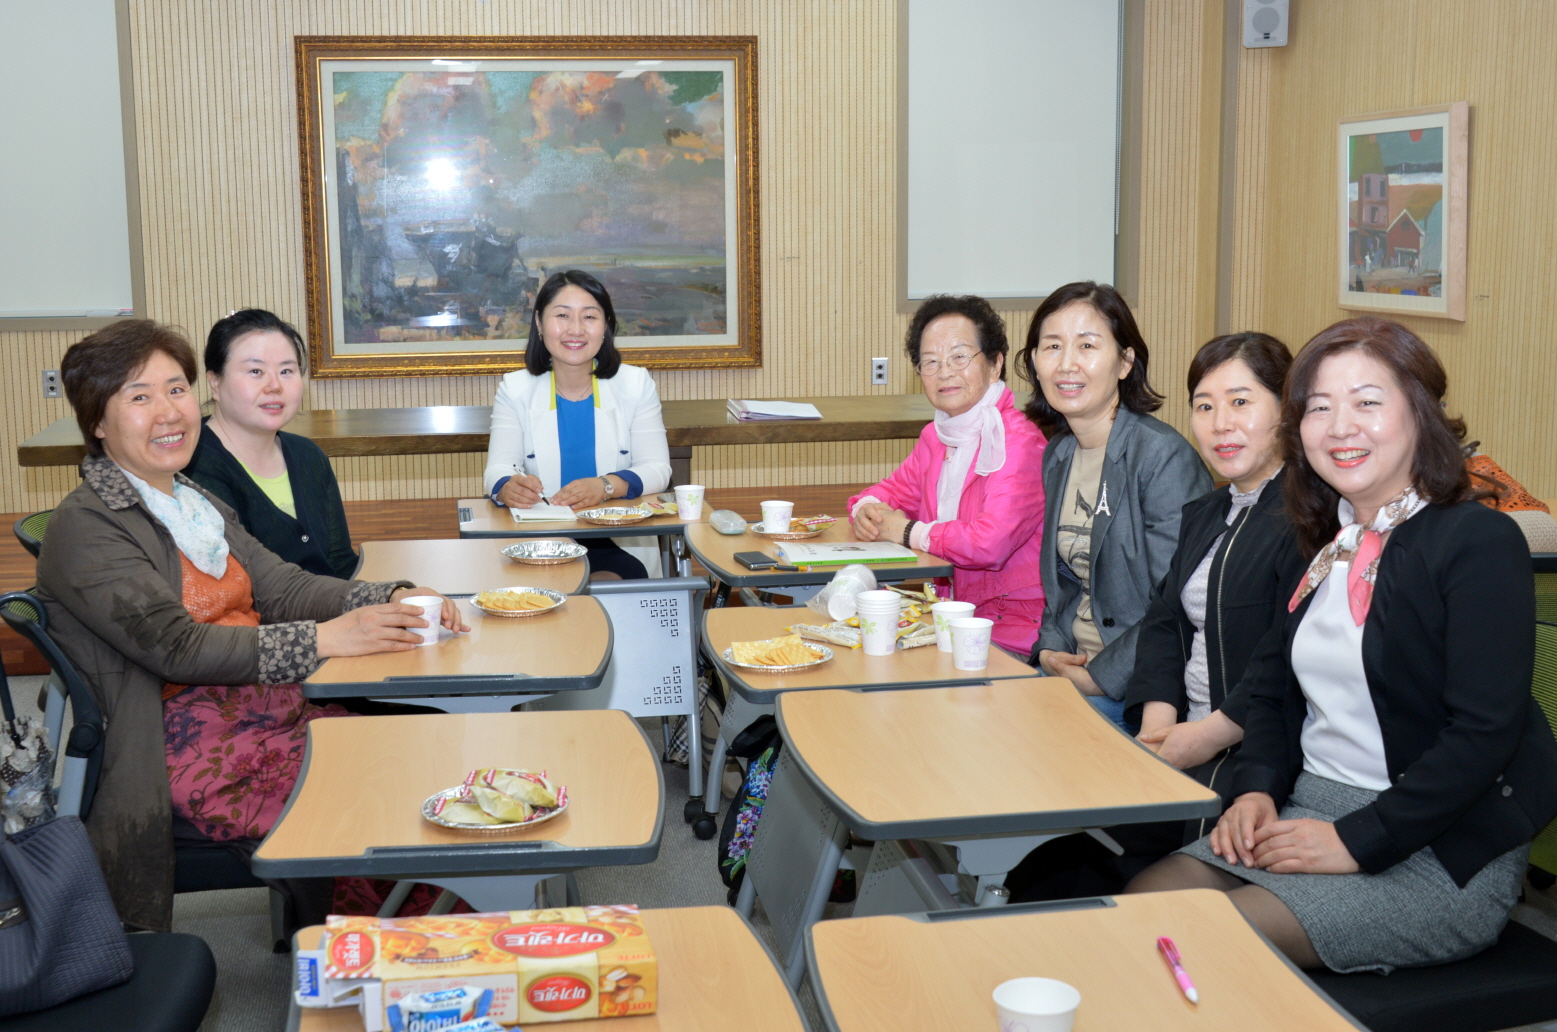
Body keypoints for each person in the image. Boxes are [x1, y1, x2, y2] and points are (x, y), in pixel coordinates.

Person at [1126, 317, 1557, 974]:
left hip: (1439, 847)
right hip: (1304, 811)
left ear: (1420, 412)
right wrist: (1255, 792)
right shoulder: (1324, 541)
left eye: (1367, 402)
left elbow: (1483, 733)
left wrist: (1356, 839)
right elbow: (1271, 691)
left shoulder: (1476, 542)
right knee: (1141, 907)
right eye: (1319, 408)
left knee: (1202, 941)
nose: (1339, 427)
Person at [36, 320, 467, 933]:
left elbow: (283, 586)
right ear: (98, 422)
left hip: (267, 706)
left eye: (176, 389)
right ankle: (394, 957)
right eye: (139, 396)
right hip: (182, 738)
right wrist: (326, 639)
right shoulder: (87, 525)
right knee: (377, 811)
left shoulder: (189, 501)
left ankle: (433, 945)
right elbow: (177, 648)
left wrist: (390, 594)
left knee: (420, 771)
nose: (169, 412)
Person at [1005, 332, 1303, 903]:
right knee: (1038, 868)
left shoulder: (1304, 522)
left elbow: (1281, 658)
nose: (1220, 424)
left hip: (1246, 760)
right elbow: (1166, 625)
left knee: (1081, 882)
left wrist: (1202, 737)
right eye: (1204, 406)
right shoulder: (1211, 510)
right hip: (1177, 737)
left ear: (1287, 409)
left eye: (1241, 402)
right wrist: (1156, 728)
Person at [1018, 281, 1211, 727]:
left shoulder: (1161, 457)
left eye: (1087, 346)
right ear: (1034, 362)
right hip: (1068, 670)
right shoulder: (1060, 453)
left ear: (1125, 362)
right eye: (1052, 346)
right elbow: (1062, 586)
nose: (1067, 363)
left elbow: (1175, 604)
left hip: (1139, 690)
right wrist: (1049, 651)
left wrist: (1100, 678)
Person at [848, 294, 1047, 654]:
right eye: (930, 361)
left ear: (995, 364)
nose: (944, 372)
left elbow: (990, 544)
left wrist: (908, 532)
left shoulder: (1019, 441)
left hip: (1013, 628)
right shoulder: (937, 436)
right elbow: (891, 491)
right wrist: (866, 510)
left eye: (959, 357)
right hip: (954, 614)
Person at [483, 270, 672, 580]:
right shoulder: (515, 388)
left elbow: (658, 469)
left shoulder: (635, 384)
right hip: (543, 537)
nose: (575, 329)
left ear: (606, 326)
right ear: (539, 323)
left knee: (604, 586)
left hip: (617, 536)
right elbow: (497, 468)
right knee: (553, 588)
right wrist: (507, 487)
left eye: (589, 317)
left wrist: (605, 486)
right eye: (562, 315)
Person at [184, 308, 357, 578]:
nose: (274, 385)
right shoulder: (193, 465)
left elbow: (340, 563)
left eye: (286, 370)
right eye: (256, 371)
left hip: (329, 602)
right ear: (215, 382)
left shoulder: (308, 455)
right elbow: (239, 583)